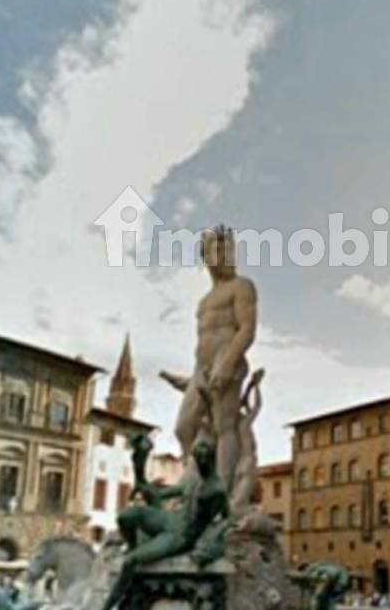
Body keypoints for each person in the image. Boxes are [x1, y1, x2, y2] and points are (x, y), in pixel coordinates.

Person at [171, 226, 258, 489]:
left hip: (227, 363)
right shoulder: (204, 301)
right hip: (201, 369)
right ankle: (195, 481)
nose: (227, 255)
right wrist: (191, 378)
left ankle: (221, 491)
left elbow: (247, 329)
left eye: (229, 249)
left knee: (224, 426)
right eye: (219, 249)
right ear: (206, 255)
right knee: (183, 427)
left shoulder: (241, 286)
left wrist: (228, 362)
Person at [102, 438, 230, 610]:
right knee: (125, 516)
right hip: (171, 518)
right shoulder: (194, 480)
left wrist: (211, 542)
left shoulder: (217, 490)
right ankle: (133, 545)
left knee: (130, 561)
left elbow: (226, 518)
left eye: (203, 458)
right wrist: (143, 481)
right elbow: (163, 493)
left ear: (211, 459)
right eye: (197, 458)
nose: (200, 462)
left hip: (181, 536)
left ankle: (108, 605)